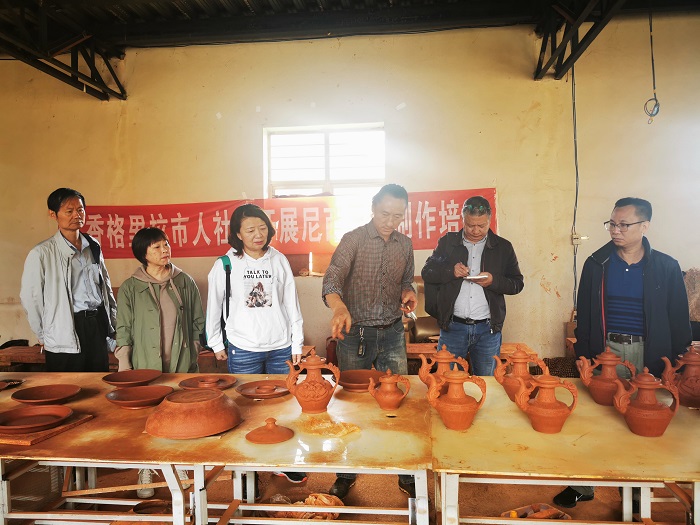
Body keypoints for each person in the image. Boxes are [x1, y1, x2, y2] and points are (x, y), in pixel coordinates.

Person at [553, 197, 691, 509]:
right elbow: (585, 313)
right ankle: (583, 484)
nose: (616, 230)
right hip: (607, 351)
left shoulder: (666, 267)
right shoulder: (596, 264)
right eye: (612, 224)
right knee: (596, 417)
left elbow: (678, 318)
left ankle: (638, 489)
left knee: (643, 419)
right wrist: (585, 354)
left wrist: (678, 364)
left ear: (645, 226)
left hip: (649, 353)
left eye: (624, 225)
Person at [322, 183, 418, 500]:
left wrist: (409, 292)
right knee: (352, 405)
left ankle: (406, 471)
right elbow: (332, 278)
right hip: (356, 335)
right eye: (384, 213)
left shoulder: (405, 245)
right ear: (373, 208)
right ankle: (346, 473)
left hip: (392, 333)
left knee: (397, 401)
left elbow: (407, 281)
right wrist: (339, 307)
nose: (390, 221)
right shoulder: (353, 240)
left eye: (397, 216)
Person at [205, 203, 306, 487]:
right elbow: (214, 306)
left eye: (262, 228)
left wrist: (296, 341)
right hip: (243, 347)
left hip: (280, 346)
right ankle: (247, 473)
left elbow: (291, 303)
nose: (258, 235)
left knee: (282, 409)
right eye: (250, 230)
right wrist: (216, 343)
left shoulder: (278, 259)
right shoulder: (225, 264)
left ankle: (281, 463)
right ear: (238, 234)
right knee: (245, 412)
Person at [115, 226, 204, 497]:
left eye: (166, 244)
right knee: (147, 416)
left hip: (181, 360)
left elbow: (197, 320)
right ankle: (147, 467)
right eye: (157, 247)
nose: (165, 250)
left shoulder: (184, 281)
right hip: (145, 362)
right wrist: (125, 363)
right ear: (143, 254)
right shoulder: (130, 287)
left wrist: (193, 349)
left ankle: (179, 465)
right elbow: (123, 327)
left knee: (180, 413)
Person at [421, 196, 523, 376]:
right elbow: (427, 272)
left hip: (488, 330)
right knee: (448, 381)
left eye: (481, 226)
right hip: (453, 327)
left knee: (487, 382)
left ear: (489, 220)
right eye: (470, 225)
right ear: (463, 219)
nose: (475, 230)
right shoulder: (448, 243)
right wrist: (450, 272)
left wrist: (494, 281)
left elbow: (517, 284)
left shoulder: (503, 247)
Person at [20, 188, 117, 372]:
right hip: (64, 329)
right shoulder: (41, 253)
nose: (76, 215)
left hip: (96, 324)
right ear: (53, 214)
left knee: (98, 381)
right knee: (66, 383)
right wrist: (44, 334)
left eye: (80, 210)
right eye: (69, 211)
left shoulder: (92, 245)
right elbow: (31, 298)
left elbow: (106, 287)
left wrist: (112, 322)